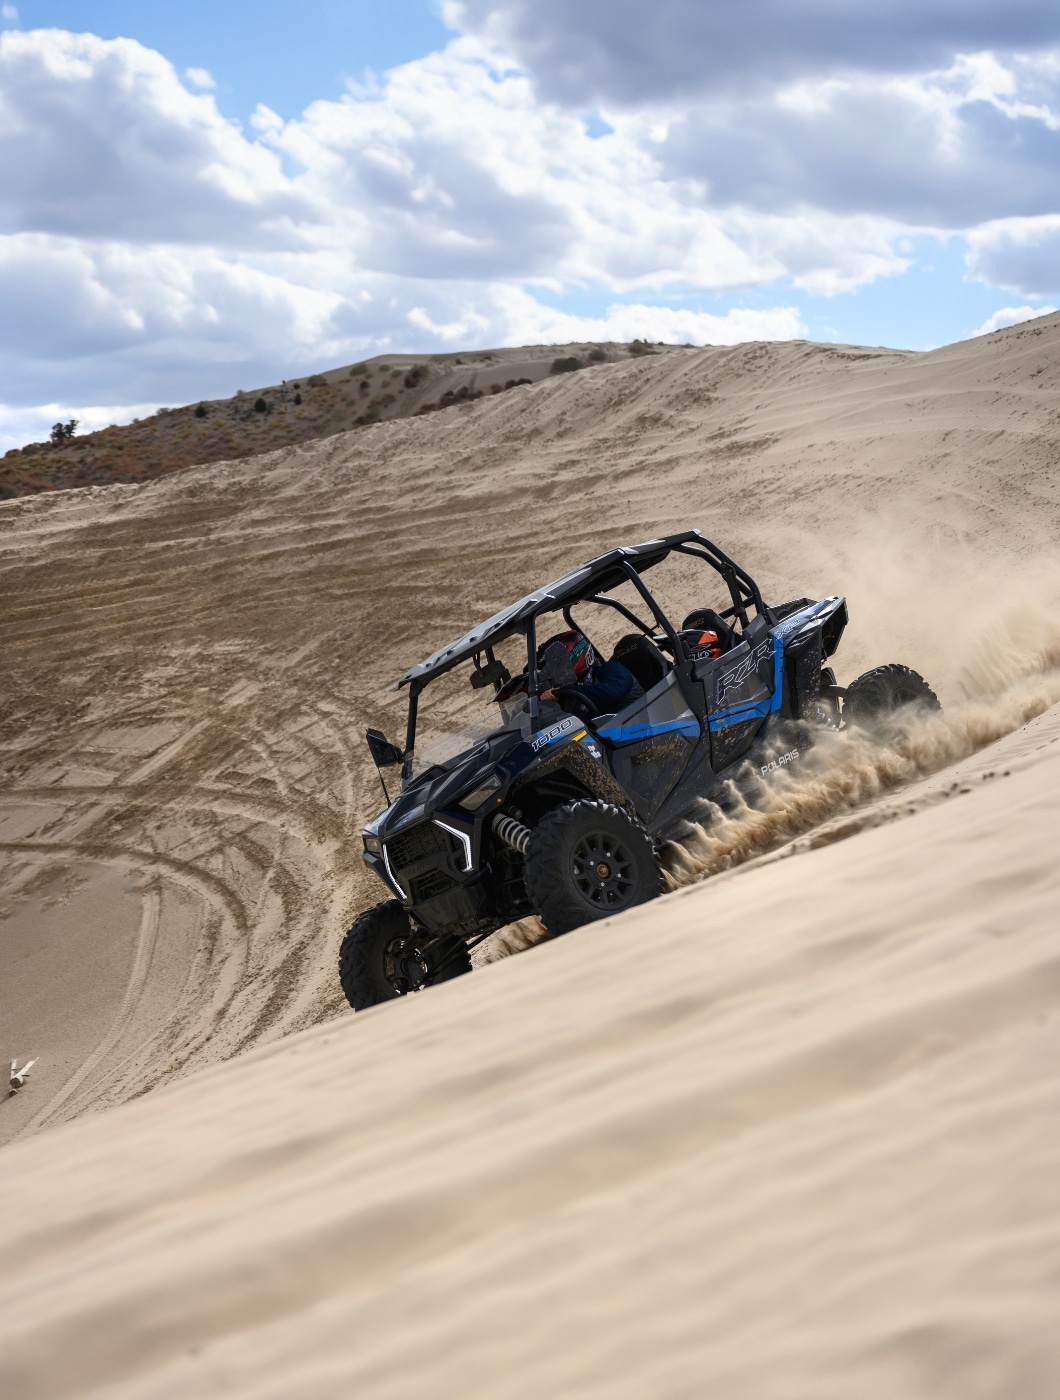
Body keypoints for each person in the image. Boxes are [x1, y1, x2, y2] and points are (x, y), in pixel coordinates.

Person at [539, 630, 643, 714]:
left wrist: (564, 692)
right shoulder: (579, 688)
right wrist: (554, 701)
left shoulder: (612, 668)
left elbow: (612, 694)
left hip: (644, 725)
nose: (556, 674)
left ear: (577, 657)